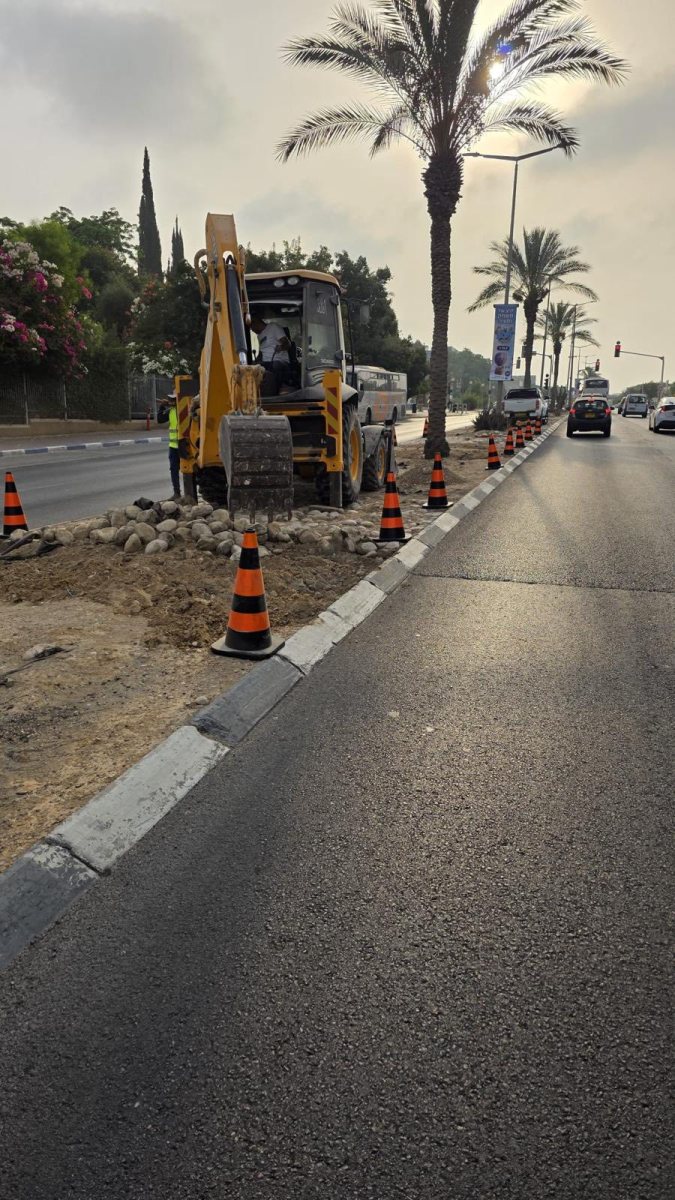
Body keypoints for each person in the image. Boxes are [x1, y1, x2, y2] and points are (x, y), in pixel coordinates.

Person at [157, 392, 181, 500]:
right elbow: (160, 419)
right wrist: (162, 406)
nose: (171, 402)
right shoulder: (170, 411)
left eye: (173, 400)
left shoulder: (183, 410)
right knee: (174, 470)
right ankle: (177, 493)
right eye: (170, 400)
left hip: (184, 445)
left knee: (189, 470)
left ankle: (190, 493)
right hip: (173, 446)